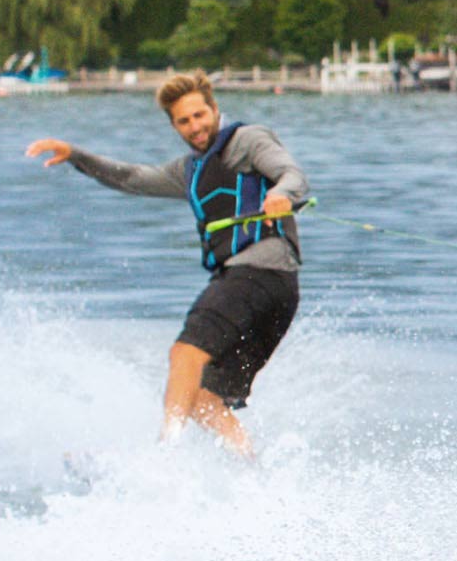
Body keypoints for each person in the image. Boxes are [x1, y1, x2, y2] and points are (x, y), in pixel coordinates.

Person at [24, 71, 308, 455]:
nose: (195, 126)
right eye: (184, 121)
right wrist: (77, 156)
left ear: (214, 109)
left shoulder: (247, 141)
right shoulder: (189, 171)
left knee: (185, 355)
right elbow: (132, 178)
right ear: (174, 125)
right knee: (202, 398)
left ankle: (163, 461)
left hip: (259, 274)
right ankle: (252, 474)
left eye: (199, 115)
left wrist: (280, 194)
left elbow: (292, 175)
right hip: (276, 294)